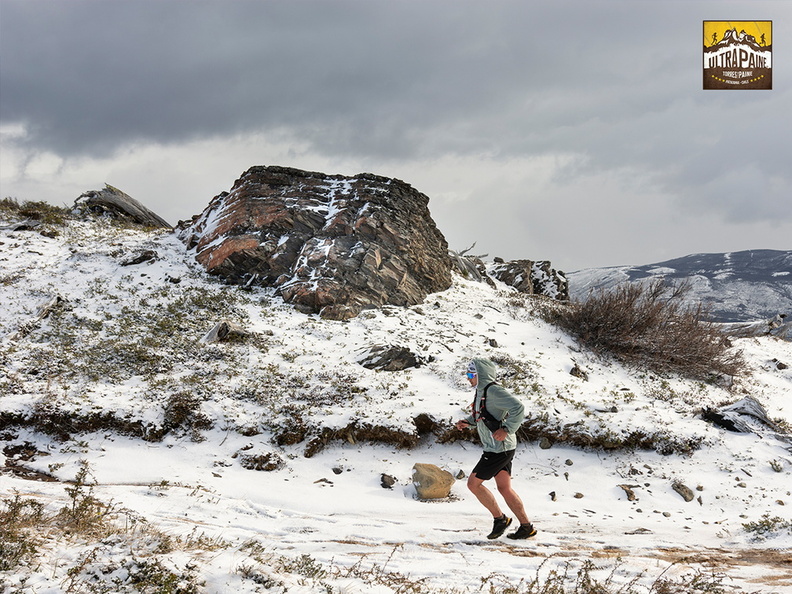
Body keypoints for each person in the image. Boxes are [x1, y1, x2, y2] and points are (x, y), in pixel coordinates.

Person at [456, 358, 537, 540]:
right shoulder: (481, 391)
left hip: (498, 449)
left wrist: (507, 429)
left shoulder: (493, 390)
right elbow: (482, 415)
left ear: (480, 375)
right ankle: (526, 527)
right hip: (499, 447)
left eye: (471, 375)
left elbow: (518, 407)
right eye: (467, 375)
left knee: (473, 484)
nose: (468, 378)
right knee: (504, 488)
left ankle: (500, 519)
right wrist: (467, 423)